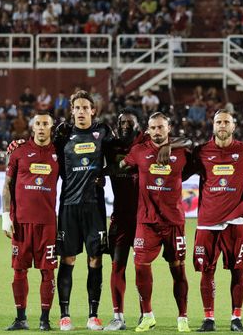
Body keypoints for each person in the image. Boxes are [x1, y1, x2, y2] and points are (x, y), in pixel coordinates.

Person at [120, 112, 192, 332]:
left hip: (174, 222)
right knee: (140, 266)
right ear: (148, 130)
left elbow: (192, 145)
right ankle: (148, 315)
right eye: (153, 128)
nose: (157, 131)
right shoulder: (139, 151)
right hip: (147, 221)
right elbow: (122, 165)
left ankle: (183, 317)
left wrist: (171, 146)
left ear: (168, 128)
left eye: (161, 127)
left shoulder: (182, 152)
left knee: (178, 269)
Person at [188, 109, 243, 332]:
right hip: (207, 221)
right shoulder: (201, 151)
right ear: (213, 125)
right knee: (206, 270)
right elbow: (180, 172)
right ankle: (209, 319)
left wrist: (240, 184)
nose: (222, 125)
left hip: (235, 221)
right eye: (219, 121)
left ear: (234, 126)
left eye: (227, 122)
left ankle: (236, 318)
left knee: (238, 270)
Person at [52, 91, 116, 330]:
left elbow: (121, 155)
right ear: (72, 111)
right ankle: (65, 315)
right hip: (68, 206)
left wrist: (105, 174)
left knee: (95, 259)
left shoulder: (103, 133)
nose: (80, 112)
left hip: (94, 207)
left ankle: (93, 315)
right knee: (67, 259)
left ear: (93, 111)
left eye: (84, 108)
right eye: (76, 108)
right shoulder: (63, 134)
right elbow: (41, 148)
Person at [2, 112, 59, 331]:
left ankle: (45, 319)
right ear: (32, 127)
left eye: (46, 123)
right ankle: (21, 318)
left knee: (48, 271)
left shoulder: (58, 153)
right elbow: (7, 185)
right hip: (21, 223)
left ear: (51, 127)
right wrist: (5, 217)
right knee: (19, 271)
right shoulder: (19, 151)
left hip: (47, 224)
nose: (42, 127)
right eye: (38, 123)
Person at [103, 111, 143, 331]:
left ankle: (144, 314)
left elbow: (181, 141)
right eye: (122, 122)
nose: (125, 125)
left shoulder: (147, 142)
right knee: (117, 266)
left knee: (141, 268)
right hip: (119, 217)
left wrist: (165, 146)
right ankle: (118, 316)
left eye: (130, 122)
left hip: (142, 219)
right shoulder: (110, 146)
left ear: (138, 125)